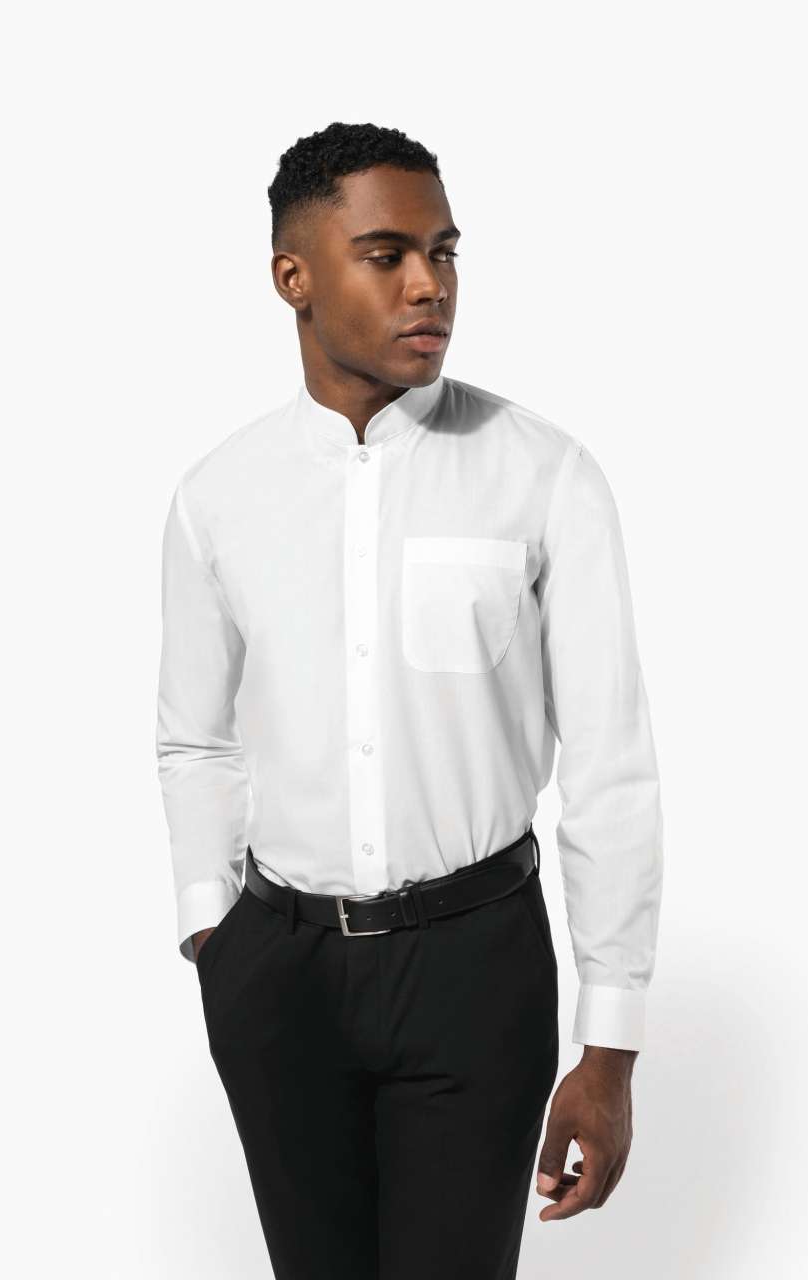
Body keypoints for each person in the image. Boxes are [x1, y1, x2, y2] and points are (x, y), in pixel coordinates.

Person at [155, 120, 664, 1279]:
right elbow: (193, 738)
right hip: (277, 967)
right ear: (293, 276)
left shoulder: (544, 474)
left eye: (443, 250)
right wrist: (212, 932)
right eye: (386, 254)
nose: (429, 282)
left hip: (473, 965)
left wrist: (610, 1046)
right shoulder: (216, 497)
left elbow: (610, 766)